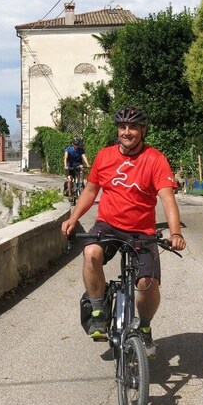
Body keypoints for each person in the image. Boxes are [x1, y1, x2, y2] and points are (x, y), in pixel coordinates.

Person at [60, 106, 186, 358]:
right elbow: (90, 191)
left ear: (142, 131)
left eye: (133, 127)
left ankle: (145, 327)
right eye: (122, 127)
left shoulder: (155, 159)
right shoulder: (105, 156)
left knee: (146, 283)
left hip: (142, 231)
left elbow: (167, 198)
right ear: (117, 130)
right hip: (108, 224)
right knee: (91, 253)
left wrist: (175, 233)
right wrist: (74, 217)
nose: (127, 132)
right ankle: (98, 311)